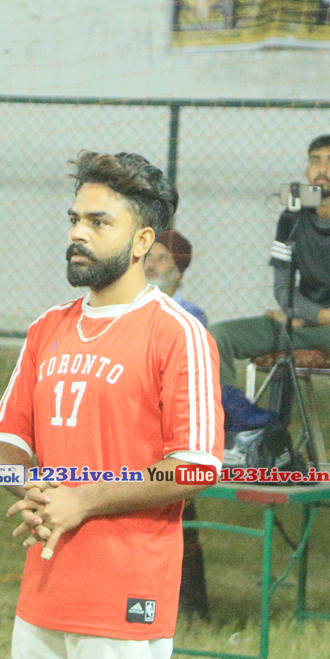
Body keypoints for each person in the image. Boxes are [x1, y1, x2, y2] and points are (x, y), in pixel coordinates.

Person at [0, 151, 223, 659]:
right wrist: (32, 488)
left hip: (125, 586)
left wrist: (83, 501)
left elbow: (195, 466)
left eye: (98, 222)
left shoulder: (176, 334)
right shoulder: (48, 329)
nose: (78, 234)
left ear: (143, 241)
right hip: (47, 581)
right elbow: (6, 436)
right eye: (74, 220)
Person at [210, 134, 330, 466]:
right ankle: (235, 437)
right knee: (216, 337)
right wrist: (310, 314)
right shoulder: (291, 217)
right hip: (298, 322)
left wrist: (309, 315)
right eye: (315, 160)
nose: (322, 169)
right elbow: (282, 288)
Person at [143, 230, 210, 622]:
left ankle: (192, 612)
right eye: (148, 256)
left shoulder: (191, 317)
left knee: (180, 519)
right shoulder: (125, 311)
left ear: (180, 272)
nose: (151, 264)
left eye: (163, 258)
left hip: (170, 434)